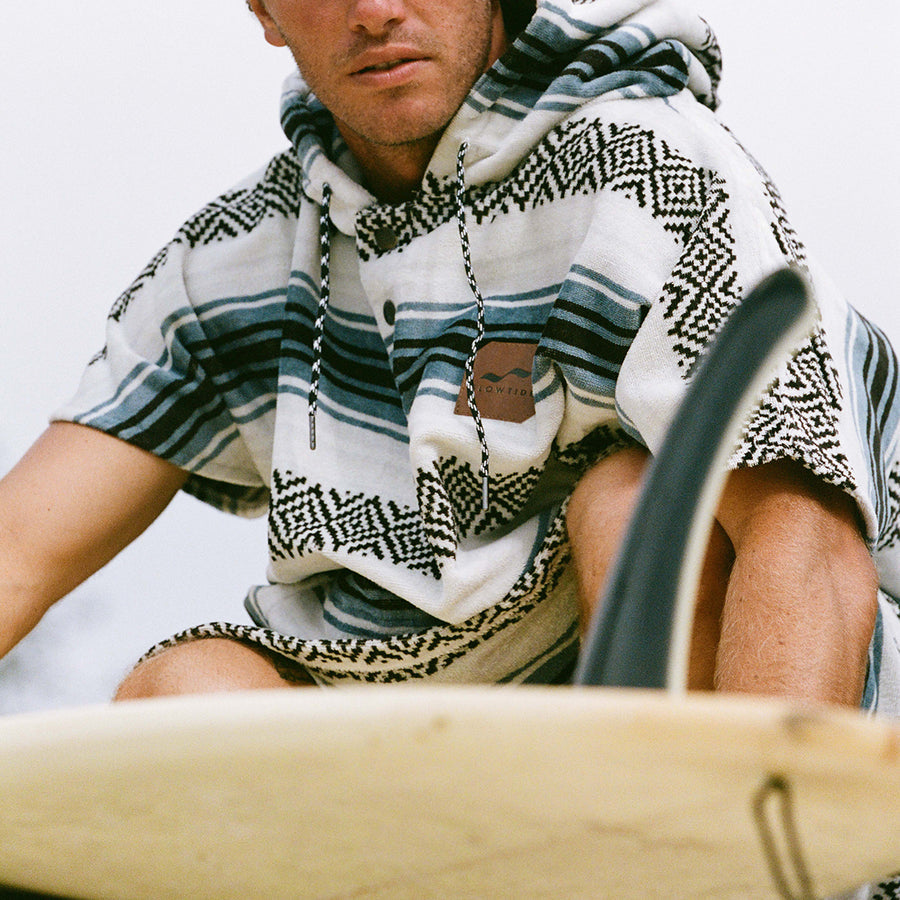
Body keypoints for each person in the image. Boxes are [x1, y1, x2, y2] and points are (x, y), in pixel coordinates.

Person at [1, 0, 899, 716]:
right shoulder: (241, 258)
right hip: (421, 725)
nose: (376, 11)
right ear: (263, 10)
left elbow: (806, 543)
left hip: (731, 721)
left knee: (634, 504)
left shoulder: (649, 172)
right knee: (185, 695)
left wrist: (773, 850)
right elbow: (19, 549)